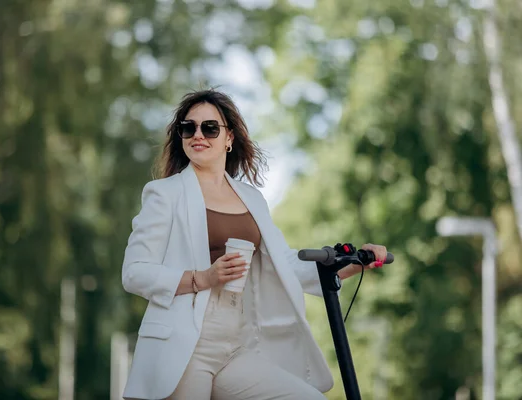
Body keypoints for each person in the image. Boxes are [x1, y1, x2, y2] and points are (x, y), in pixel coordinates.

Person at [121, 89, 388, 400]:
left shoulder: (252, 199)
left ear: (229, 138)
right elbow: (135, 272)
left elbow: (285, 265)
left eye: (209, 128)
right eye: (188, 127)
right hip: (184, 349)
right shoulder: (164, 194)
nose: (198, 135)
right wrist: (204, 278)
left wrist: (355, 262)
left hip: (235, 346)